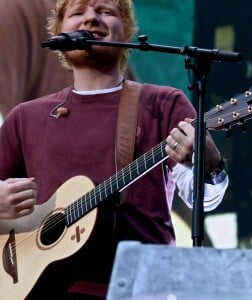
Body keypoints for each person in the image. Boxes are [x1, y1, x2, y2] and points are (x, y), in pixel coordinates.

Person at [0, 0, 228, 299]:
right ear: (58, 33)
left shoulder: (162, 104)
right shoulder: (24, 117)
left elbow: (201, 201)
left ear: (127, 32)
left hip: (139, 289)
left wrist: (211, 169)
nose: (90, 19)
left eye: (105, 11)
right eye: (77, 12)